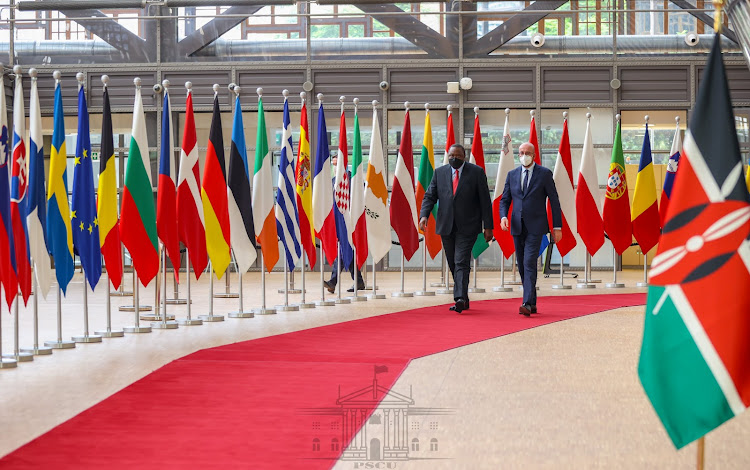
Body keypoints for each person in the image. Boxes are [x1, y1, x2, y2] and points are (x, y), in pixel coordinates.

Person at [419, 143, 493, 314]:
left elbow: (485, 202)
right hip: (446, 226)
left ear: (464, 157)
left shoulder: (476, 172)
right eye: (451, 156)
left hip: (468, 226)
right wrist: (424, 215)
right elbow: (430, 195)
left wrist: (488, 226)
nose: (454, 159)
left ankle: (459, 297)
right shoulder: (440, 172)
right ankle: (464, 298)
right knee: (453, 262)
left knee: (461, 261)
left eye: (458, 156)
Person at [498, 142, 562, 317]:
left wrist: (557, 227)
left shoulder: (544, 174)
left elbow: (554, 202)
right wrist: (503, 216)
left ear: (534, 155)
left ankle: (526, 302)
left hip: (536, 226)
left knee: (529, 262)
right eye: (521, 152)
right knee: (522, 264)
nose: (523, 155)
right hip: (517, 226)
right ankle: (532, 302)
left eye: (527, 153)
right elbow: (504, 200)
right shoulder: (512, 175)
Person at [324, 154, 365, 294]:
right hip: (338, 223)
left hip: (351, 223)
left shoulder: (353, 180)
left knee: (343, 251)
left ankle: (333, 282)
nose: (335, 167)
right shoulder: (332, 181)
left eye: (337, 164)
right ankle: (358, 281)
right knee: (344, 251)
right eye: (333, 164)